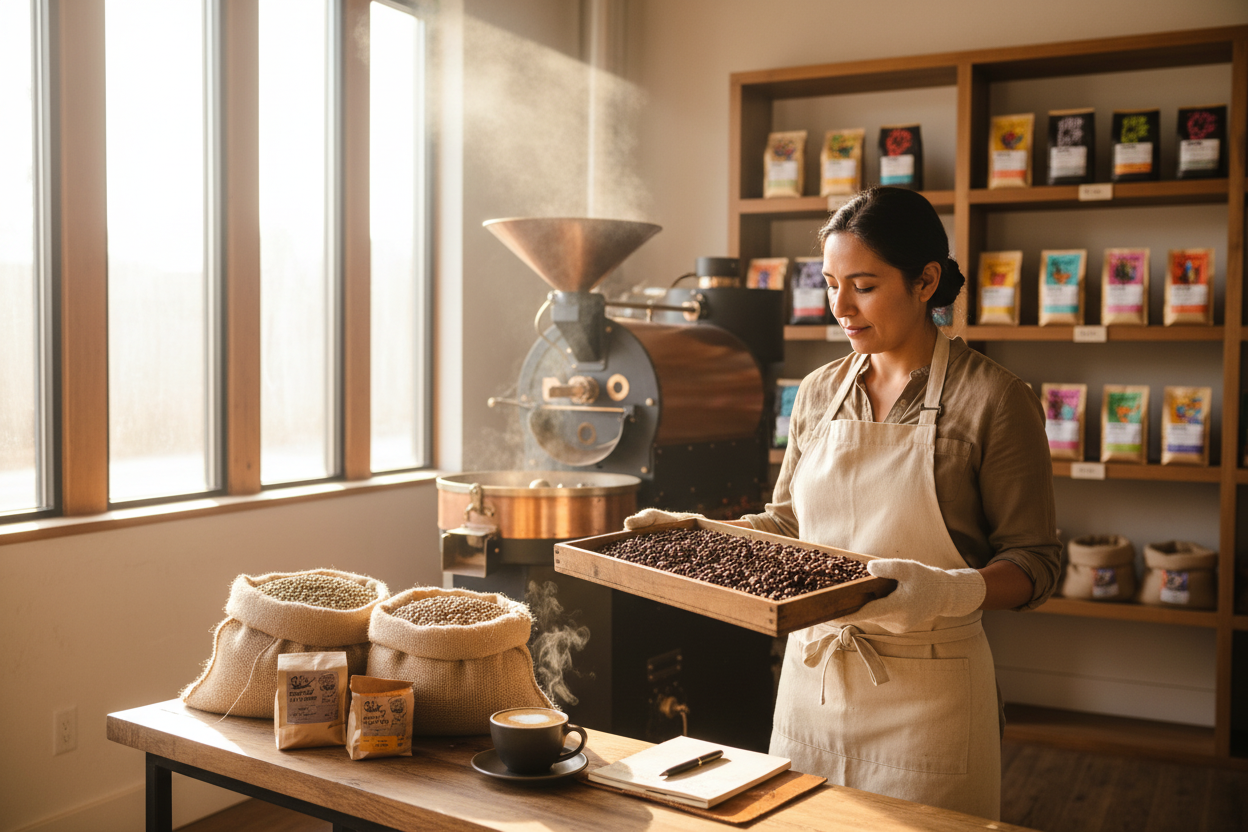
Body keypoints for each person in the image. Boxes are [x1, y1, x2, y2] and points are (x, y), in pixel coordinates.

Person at [625, 186, 1060, 820]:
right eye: (830, 283)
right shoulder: (817, 391)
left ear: (925, 281)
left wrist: (946, 591)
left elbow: (1036, 563)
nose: (840, 307)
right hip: (814, 682)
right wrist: (698, 535)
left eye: (863, 285)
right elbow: (791, 522)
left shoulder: (994, 400)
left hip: (930, 693)